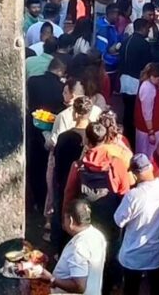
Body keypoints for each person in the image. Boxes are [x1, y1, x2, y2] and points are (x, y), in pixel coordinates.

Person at [64, 123, 131, 295]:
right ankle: (110, 286)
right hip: (111, 218)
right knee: (111, 253)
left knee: (87, 254)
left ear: (87, 140)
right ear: (106, 139)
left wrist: (66, 215)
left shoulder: (78, 166)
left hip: (86, 219)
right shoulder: (116, 163)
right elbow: (125, 192)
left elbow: (69, 192)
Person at [114, 153, 159, 295]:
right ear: (151, 167)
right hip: (157, 253)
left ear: (135, 174)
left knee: (131, 289)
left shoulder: (133, 195)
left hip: (133, 255)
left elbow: (119, 221)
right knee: (157, 289)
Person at [53, 97, 95, 251]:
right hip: (87, 185)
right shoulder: (94, 135)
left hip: (65, 181)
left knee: (64, 216)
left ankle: (61, 250)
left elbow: (57, 163)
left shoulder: (64, 137)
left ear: (75, 114)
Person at [40, 198, 106, 295]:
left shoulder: (79, 246)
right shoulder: (97, 235)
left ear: (70, 221)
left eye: (65, 219)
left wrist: (52, 279)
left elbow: (80, 287)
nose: (64, 223)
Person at [26, 56, 67, 213]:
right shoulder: (61, 87)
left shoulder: (33, 82)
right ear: (60, 71)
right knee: (49, 166)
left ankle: (37, 200)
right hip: (53, 130)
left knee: (35, 165)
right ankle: (48, 202)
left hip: (34, 128)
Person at [120, 18, 157, 146]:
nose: (148, 31)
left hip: (124, 80)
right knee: (134, 112)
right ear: (143, 28)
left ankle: (126, 136)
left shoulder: (125, 41)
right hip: (135, 81)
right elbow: (147, 65)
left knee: (127, 110)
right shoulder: (144, 44)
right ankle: (132, 139)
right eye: (148, 29)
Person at [135, 63, 159, 159]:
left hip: (154, 126)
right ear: (152, 76)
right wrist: (151, 132)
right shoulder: (147, 89)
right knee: (148, 154)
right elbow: (147, 113)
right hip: (150, 129)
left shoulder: (151, 84)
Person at [95, 4, 123, 82]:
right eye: (117, 14)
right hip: (107, 68)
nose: (118, 17)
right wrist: (114, 57)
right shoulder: (103, 29)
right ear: (110, 14)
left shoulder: (112, 26)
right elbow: (101, 53)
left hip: (113, 65)